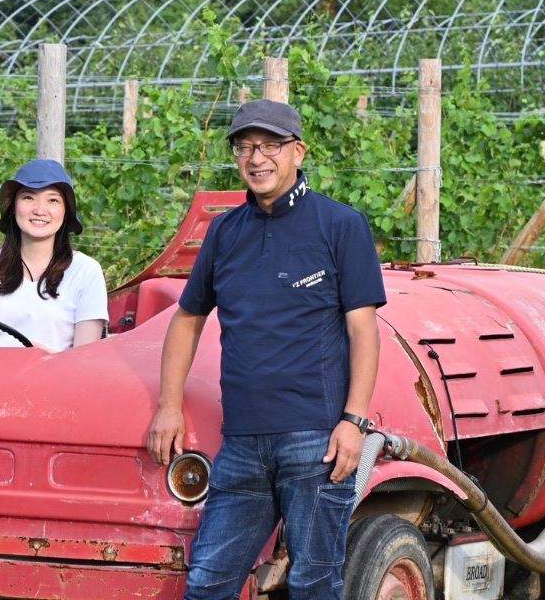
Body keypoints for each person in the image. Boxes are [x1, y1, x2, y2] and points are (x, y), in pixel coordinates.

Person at [146, 99, 385, 600]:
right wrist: (168, 406)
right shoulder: (225, 233)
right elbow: (187, 320)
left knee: (313, 583)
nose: (257, 158)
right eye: (245, 147)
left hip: (315, 441)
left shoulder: (340, 226)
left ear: (297, 151)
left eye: (270, 146)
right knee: (208, 583)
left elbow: (363, 329)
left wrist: (354, 420)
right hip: (243, 444)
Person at [0, 159, 108, 351]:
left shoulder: (86, 271)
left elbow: (85, 357)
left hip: (54, 378)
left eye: (53, 200)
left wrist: (39, 357)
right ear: (13, 207)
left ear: (66, 211)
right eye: (28, 197)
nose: (40, 210)